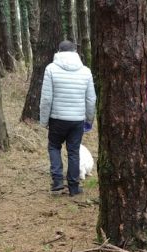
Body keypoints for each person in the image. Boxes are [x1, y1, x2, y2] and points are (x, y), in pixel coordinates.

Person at [40, 40, 96, 196]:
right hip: (77, 120)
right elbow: (91, 99)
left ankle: (57, 182)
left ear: (58, 52)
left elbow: (46, 99)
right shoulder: (86, 71)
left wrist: (44, 120)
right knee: (73, 151)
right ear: (75, 52)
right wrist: (89, 120)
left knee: (54, 147)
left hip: (57, 118)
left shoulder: (50, 69)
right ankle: (73, 186)